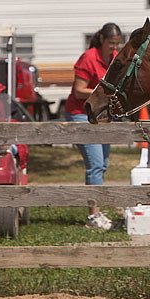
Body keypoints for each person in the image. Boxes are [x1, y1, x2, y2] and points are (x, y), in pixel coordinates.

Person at [65, 22, 123, 229]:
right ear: (102, 40)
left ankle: (96, 209)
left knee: (103, 164)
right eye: (111, 43)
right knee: (96, 165)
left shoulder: (114, 58)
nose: (114, 48)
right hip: (81, 114)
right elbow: (78, 91)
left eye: (117, 44)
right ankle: (93, 216)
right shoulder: (89, 57)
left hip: (102, 114)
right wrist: (104, 93)